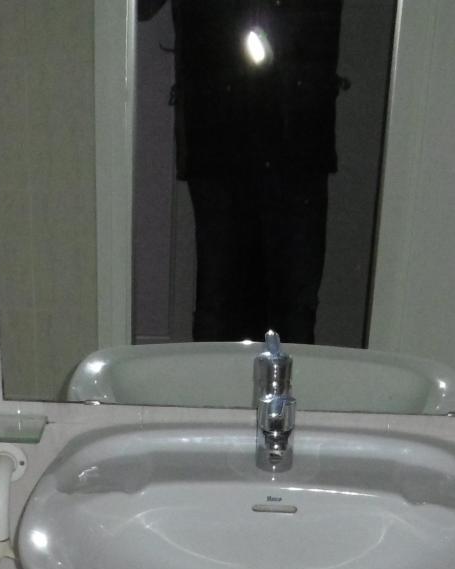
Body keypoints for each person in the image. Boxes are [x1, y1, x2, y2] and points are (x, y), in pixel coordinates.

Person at [141, 0, 344, 343]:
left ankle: (281, 378)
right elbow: (138, 8)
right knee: (221, 304)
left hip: (297, 133)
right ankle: (220, 380)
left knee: (292, 309)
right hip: (220, 131)